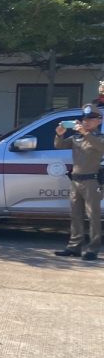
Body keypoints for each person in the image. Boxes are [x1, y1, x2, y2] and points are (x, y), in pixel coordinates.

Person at [53, 103, 104, 261]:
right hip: (76, 181)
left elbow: (101, 147)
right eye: (84, 119)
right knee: (75, 215)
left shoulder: (99, 138)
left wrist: (85, 133)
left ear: (99, 121)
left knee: (93, 216)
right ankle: (74, 247)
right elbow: (59, 146)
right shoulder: (76, 137)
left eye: (91, 119)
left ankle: (93, 249)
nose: (86, 122)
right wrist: (59, 134)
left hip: (92, 181)